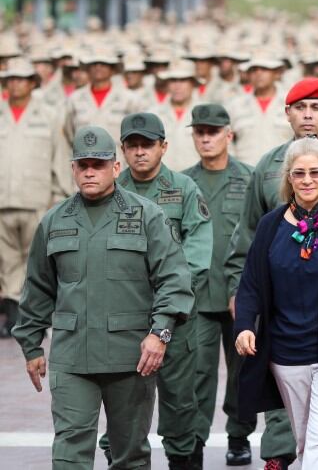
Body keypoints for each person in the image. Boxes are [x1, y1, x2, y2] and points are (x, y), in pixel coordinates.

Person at [12, 125, 194, 469]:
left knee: (130, 455)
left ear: (116, 167)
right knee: (69, 451)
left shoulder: (146, 216)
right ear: (73, 170)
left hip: (131, 358)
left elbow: (174, 280)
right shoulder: (53, 221)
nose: (90, 172)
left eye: (98, 164)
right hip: (72, 357)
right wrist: (32, 345)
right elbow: (37, 287)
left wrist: (160, 334)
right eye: (83, 165)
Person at [224, 77, 318, 469]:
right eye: (298, 174)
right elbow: (252, 276)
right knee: (307, 437)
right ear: (288, 178)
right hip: (287, 349)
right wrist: (243, 322)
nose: (307, 180)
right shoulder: (273, 224)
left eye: (314, 173)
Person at [111, 112, 212, 469]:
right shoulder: (111, 190)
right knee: (122, 401)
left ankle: (183, 460)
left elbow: (197, 256)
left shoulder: (184, 190)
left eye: (147, 145)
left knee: (180, 401)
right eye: (132, 145)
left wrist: (166, 301)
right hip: (124, 317)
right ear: (122, 150)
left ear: (163, 147)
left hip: (176, 317)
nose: (140, 152)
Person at [182, 104, 257, 466]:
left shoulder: (250, 178)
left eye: (213, 131)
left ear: (229, 135)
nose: (206, 138)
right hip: (196, 297)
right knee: (196, 373)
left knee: (243, 369)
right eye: (200, 132)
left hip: (238, 294)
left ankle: (239, 435)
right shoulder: (179, 183)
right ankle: (193, 440)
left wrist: (246, 290)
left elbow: (258, 238)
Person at [0, 58, 71, 337]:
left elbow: (59, 157)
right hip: (4, 200)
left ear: (32, 83)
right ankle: (15, 317)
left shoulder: (49, 115)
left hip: (38, 199)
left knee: (39, 261)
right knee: (7, 262)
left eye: (22, 79)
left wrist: (58, 194)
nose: (16, 84)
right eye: (11, 79)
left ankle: (39, 318)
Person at [63, 47, 147, 156]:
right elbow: (69, 133)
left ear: (112, 69)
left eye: (103, 64)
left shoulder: (129, 99)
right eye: (94, 64)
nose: (98, 67)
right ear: (88, 69)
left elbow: (138, 135)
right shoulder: (75, 99)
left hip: (119, 164)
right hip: (86, 164)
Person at [226, 51, 292, 166]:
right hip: (246, 176)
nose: (258, 74)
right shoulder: (235, 106)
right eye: (254, 70)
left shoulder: (292, 103)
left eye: (264, 69)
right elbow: (227, 141)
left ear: (276, 73)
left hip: (283, 175)